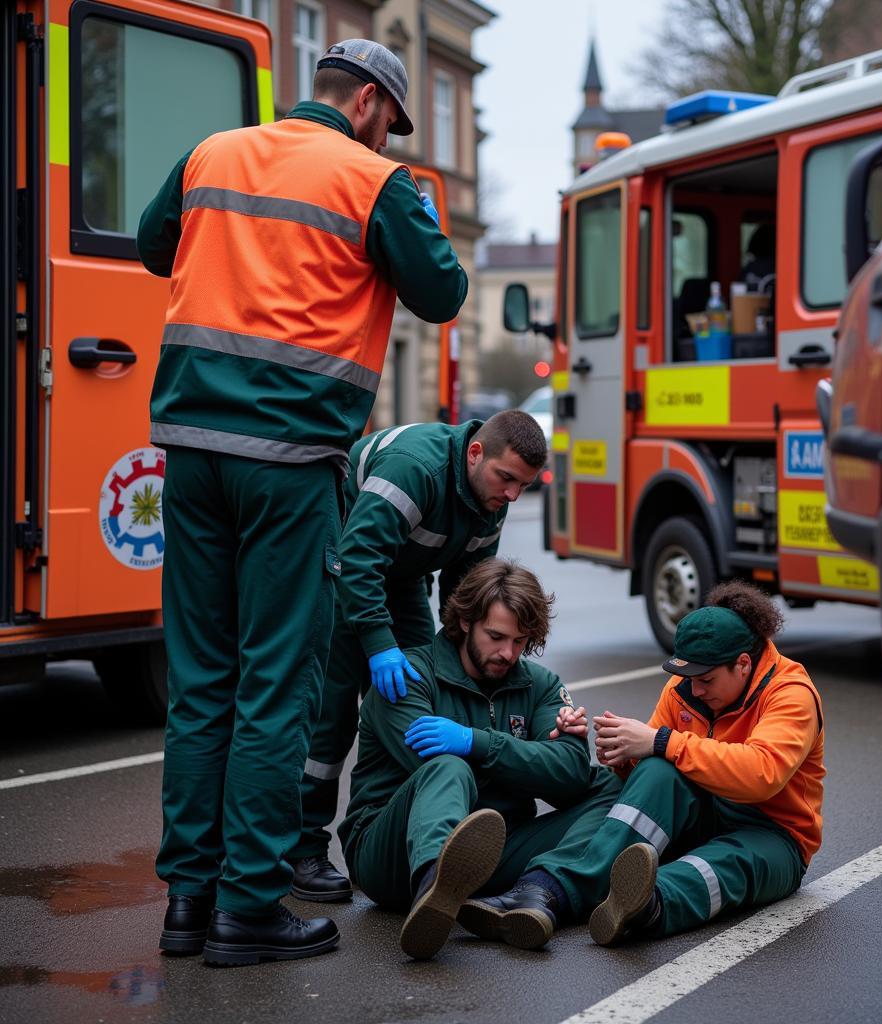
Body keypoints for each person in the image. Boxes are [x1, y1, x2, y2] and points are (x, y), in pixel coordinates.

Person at [138, 39, 467, 966]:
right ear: (367, 102)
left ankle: (187, 906)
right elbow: (443, 293)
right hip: (290, 462)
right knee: (276, 688)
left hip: (192, 454)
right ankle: (249, 908)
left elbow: (158, 243)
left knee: (202, 686)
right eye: (390, 120)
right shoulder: (375, 181)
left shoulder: (214, 152)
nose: (388, 135)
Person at [459, 580, 824, 950]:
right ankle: (543, 892)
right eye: (688, 678)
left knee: (730, 862)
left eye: (706, 680)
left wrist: (659, 742)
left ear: (743, 665)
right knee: (655, 771)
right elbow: (652, 775)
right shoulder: (684, 688)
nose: (695, 690)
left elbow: (762, 774)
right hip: (701, 812)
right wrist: (624, 757)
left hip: (773, 833)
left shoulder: (790, 693)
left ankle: (644, 903)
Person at [290, 411, 547, 902]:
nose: (513, 495)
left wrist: (463, 655)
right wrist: (379, 645)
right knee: (332, 714)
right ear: (476, 453)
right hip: (338, 567)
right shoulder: (415, 467)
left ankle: (419, 819)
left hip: (400, 573)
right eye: (507, 479)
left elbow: (468, 590)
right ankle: (301, 849)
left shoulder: (491, 492)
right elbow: (358, 560)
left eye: (524, 485)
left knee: (421, 687)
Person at [338, 559, 621, 959]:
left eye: (520, 641)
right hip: (391, 853)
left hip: (492, 849)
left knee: (609, 785)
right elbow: (433, 766)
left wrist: (479, 743)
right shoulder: (407, 676)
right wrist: (531, 759)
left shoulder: (540, 685)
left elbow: (571, 776)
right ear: (466, 620)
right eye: (496, 636)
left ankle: (538, 889)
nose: (508, 653)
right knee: (448, 767)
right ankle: (435, 884)